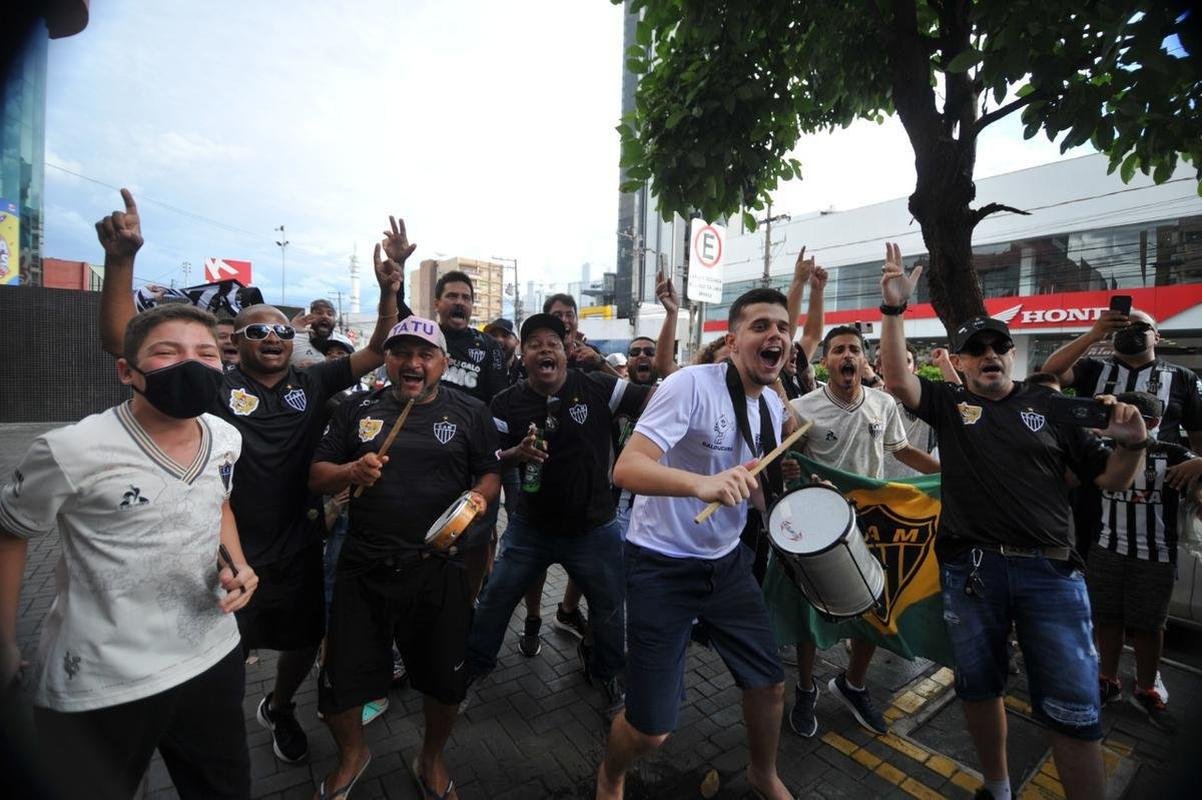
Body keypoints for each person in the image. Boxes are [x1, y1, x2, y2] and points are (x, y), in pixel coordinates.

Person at [96, 190, 403, 766]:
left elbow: (378, 349)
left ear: (296, 342)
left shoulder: (311, 384)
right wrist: (120, 261)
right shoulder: (208, 385)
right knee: (223, 659)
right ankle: (218, 737)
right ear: (236, 342)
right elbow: (123, 344)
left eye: (282, 332)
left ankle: (282, 707)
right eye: (258, 332)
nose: (272, 339)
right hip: (219, 551)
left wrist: (390, 289)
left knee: (302, 642)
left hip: (296, 544)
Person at [877, 242, 1150, 800]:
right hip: (972, 574)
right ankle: (997, 787)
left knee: (1075, 707)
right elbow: (899, 382)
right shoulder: (951, 407)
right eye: (975, 351)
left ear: (1012, 355)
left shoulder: (1052, 407)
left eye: (997, 346)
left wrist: (1134, 446)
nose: (988, 355)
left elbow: (1112, 478)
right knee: (979, 689)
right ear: (961, 362)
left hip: (1052, 578)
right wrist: (894, 311)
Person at [0, 303, 259, 799]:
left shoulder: (226, 436)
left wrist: (240, 565)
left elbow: (218, 507)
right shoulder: (70, 450)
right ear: (127, 370)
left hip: (213, 654)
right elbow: (11, 531)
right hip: (101, 678)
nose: (191, 364)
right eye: (168, 352)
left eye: (206, 353)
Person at [596, 288, 795, 800]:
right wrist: (699, 484)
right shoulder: (689, 385)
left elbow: (754, 489)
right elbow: (627, 467)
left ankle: (762, 772)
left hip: (727, 564)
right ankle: (611, 774)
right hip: (661, 564)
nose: (774, 335)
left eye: (782, 327)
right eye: (760, 326)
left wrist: (791, 513)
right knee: (650, 729)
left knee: (770, 684)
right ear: (731, 341)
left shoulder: (772, 405)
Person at [310, 315, 500, 800]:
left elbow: (489, 473)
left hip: (438, 568)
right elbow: (317, 474)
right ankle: (354, 755)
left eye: (425, 354)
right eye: (401, 353)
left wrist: (474, 503)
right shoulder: (356, 409)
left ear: (443, 362)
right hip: (364, 566)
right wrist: (350, 469)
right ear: (388, 359)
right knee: (338, 686)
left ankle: (430, 759)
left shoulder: (470, 411)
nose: (413, 363)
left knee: (444, 684)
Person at [467, 313, 651, 712]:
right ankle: (474, 668)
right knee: (496, 597)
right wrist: (515, 454)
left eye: (553, 341)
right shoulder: (506, 402)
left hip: (594, 528)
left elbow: (655, 398)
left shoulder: (599, 386)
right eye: (535, 343)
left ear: (567, 351)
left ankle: (607, 675)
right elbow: (487, 461)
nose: (545, 349)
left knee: (608, 607)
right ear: (524, 355)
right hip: (531, 527)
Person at [779, 325, 940, 739]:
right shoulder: (802, 407)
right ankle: (805, 686)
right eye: (838, 350)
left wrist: (950, 475)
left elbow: (902, 452)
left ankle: (853, 684)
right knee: (811, 611)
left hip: (872, 522)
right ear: (826, 361)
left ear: (864, 360)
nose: (846, 356)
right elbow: (785, 457)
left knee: (874, 605)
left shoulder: (883, 404)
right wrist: (790, 466)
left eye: (854, 349)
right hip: (820, 523)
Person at [1088, 390, 1198, 732]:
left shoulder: (1176, 456)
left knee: (1149, 625)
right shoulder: (1101, 451)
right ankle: (1108, 679)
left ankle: (1147, 686)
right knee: (1107, 618)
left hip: (1155, 555)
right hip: (1106, 549)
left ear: (1153, 423)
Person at [1041, 307, 1202, 450]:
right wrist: (1092, 335)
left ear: (1157, 337)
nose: (1130, 331)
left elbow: (1197, 434)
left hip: (1160, 476)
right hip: (1096, 471)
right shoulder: (1092, 368)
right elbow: (1050, 374)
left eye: (1140, 327)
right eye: (1122, 327)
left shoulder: (1182, 377)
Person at [877, 344, 939, 479]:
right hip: (876, 489)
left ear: (915, 369)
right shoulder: (868, 402)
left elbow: (966, 410)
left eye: (906, 361)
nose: (899, 366)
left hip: (917, 490)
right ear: (880, 367)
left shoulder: (929, 401)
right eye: (892, 361)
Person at [291, 299, 338, 367]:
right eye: (319, 313)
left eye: (330, 314)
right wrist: (291, 329)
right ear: (310, 316)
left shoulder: (345, 341)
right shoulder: (293, 340)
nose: (325, 316)